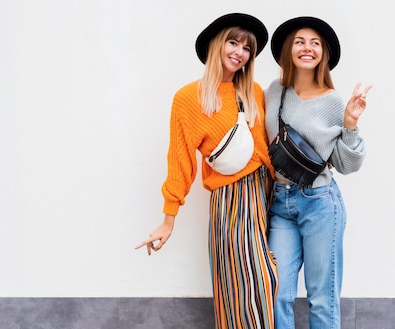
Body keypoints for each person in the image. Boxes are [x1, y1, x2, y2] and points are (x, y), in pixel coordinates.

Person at [135, 13, 277, 329]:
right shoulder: (189, 98)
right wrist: (168, 219)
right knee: (237, 284)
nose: (239, 52)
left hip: (262, 194)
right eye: (233, 42)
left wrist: (278, 194)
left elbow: (264, 149)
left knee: (263, 279)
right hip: (228, 200)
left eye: (247, 48)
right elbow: (180, 159)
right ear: (217, 44)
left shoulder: (252, 92)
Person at [264, 16, 371, 329]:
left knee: (321, 298)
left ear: (323, 53)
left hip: (320, 203)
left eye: (315, 43)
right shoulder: (274, 91)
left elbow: (347, 165)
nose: (307, 48)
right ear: (289, 49)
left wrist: (350, 123)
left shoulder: (334, 101)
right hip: (280, 205)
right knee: (275, 293)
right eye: (300, 41)